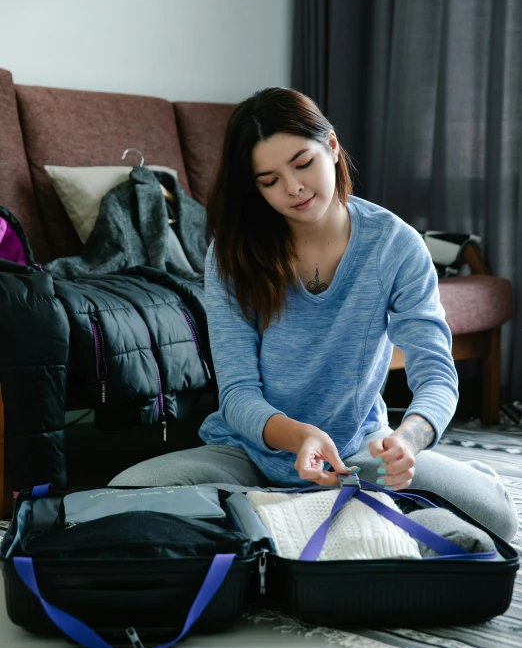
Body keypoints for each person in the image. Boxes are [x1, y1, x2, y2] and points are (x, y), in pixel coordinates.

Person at [109, 87, 518, 542]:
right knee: (123, 496)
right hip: (245, 454)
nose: (294, 188)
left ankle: (272, 521)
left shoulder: (394, 245)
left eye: (303, 163)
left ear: (333, 147)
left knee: (496, 518)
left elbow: (437, 375)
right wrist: (300, 437)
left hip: (355, 455)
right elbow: (239, 395)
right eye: (269, 180)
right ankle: (312, 515)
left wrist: (409, 441)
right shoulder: (231, 256)